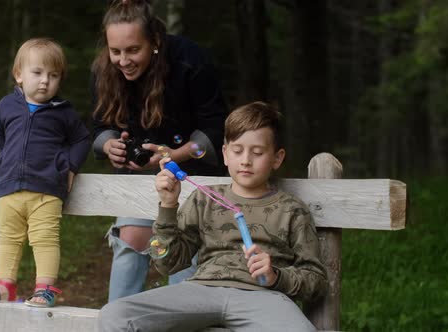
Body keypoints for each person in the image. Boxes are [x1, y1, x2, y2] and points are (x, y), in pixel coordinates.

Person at [98, 102, 328, 331]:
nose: (246, 160)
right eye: (237, 151)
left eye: (257, 152)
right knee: (116, 315)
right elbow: (168, 263)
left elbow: (315, 281)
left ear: (277, 158)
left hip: (263, 295)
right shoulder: (204, 199)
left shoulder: (292, 209)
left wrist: (275, 276)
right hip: (202, 290)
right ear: (225, 154)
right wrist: (168, 205)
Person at [91, 0, 229, 302]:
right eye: (116, 51)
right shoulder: (104, 69)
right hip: (138, 174)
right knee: (130, 238)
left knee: (184, 249)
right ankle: (119, 317)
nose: (123, 61)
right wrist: (108, 144)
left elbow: (216, 129)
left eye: (133, 50)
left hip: (194, 172)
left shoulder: (191, 60)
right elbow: (96, 127)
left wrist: (176, 154)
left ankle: (179, 318)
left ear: (154, 41)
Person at [0, 38, 90, 307]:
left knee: (44, 238)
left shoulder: (63, 113)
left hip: (47, 189)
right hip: (9, 189)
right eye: (37, 73)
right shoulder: (6, 106)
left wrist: (71, 167)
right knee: (9, 238)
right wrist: (7, 160)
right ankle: (5, 285)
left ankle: (45, 288)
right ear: (19, 75)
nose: (44, 81)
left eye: (53, 76)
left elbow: (82, 139)